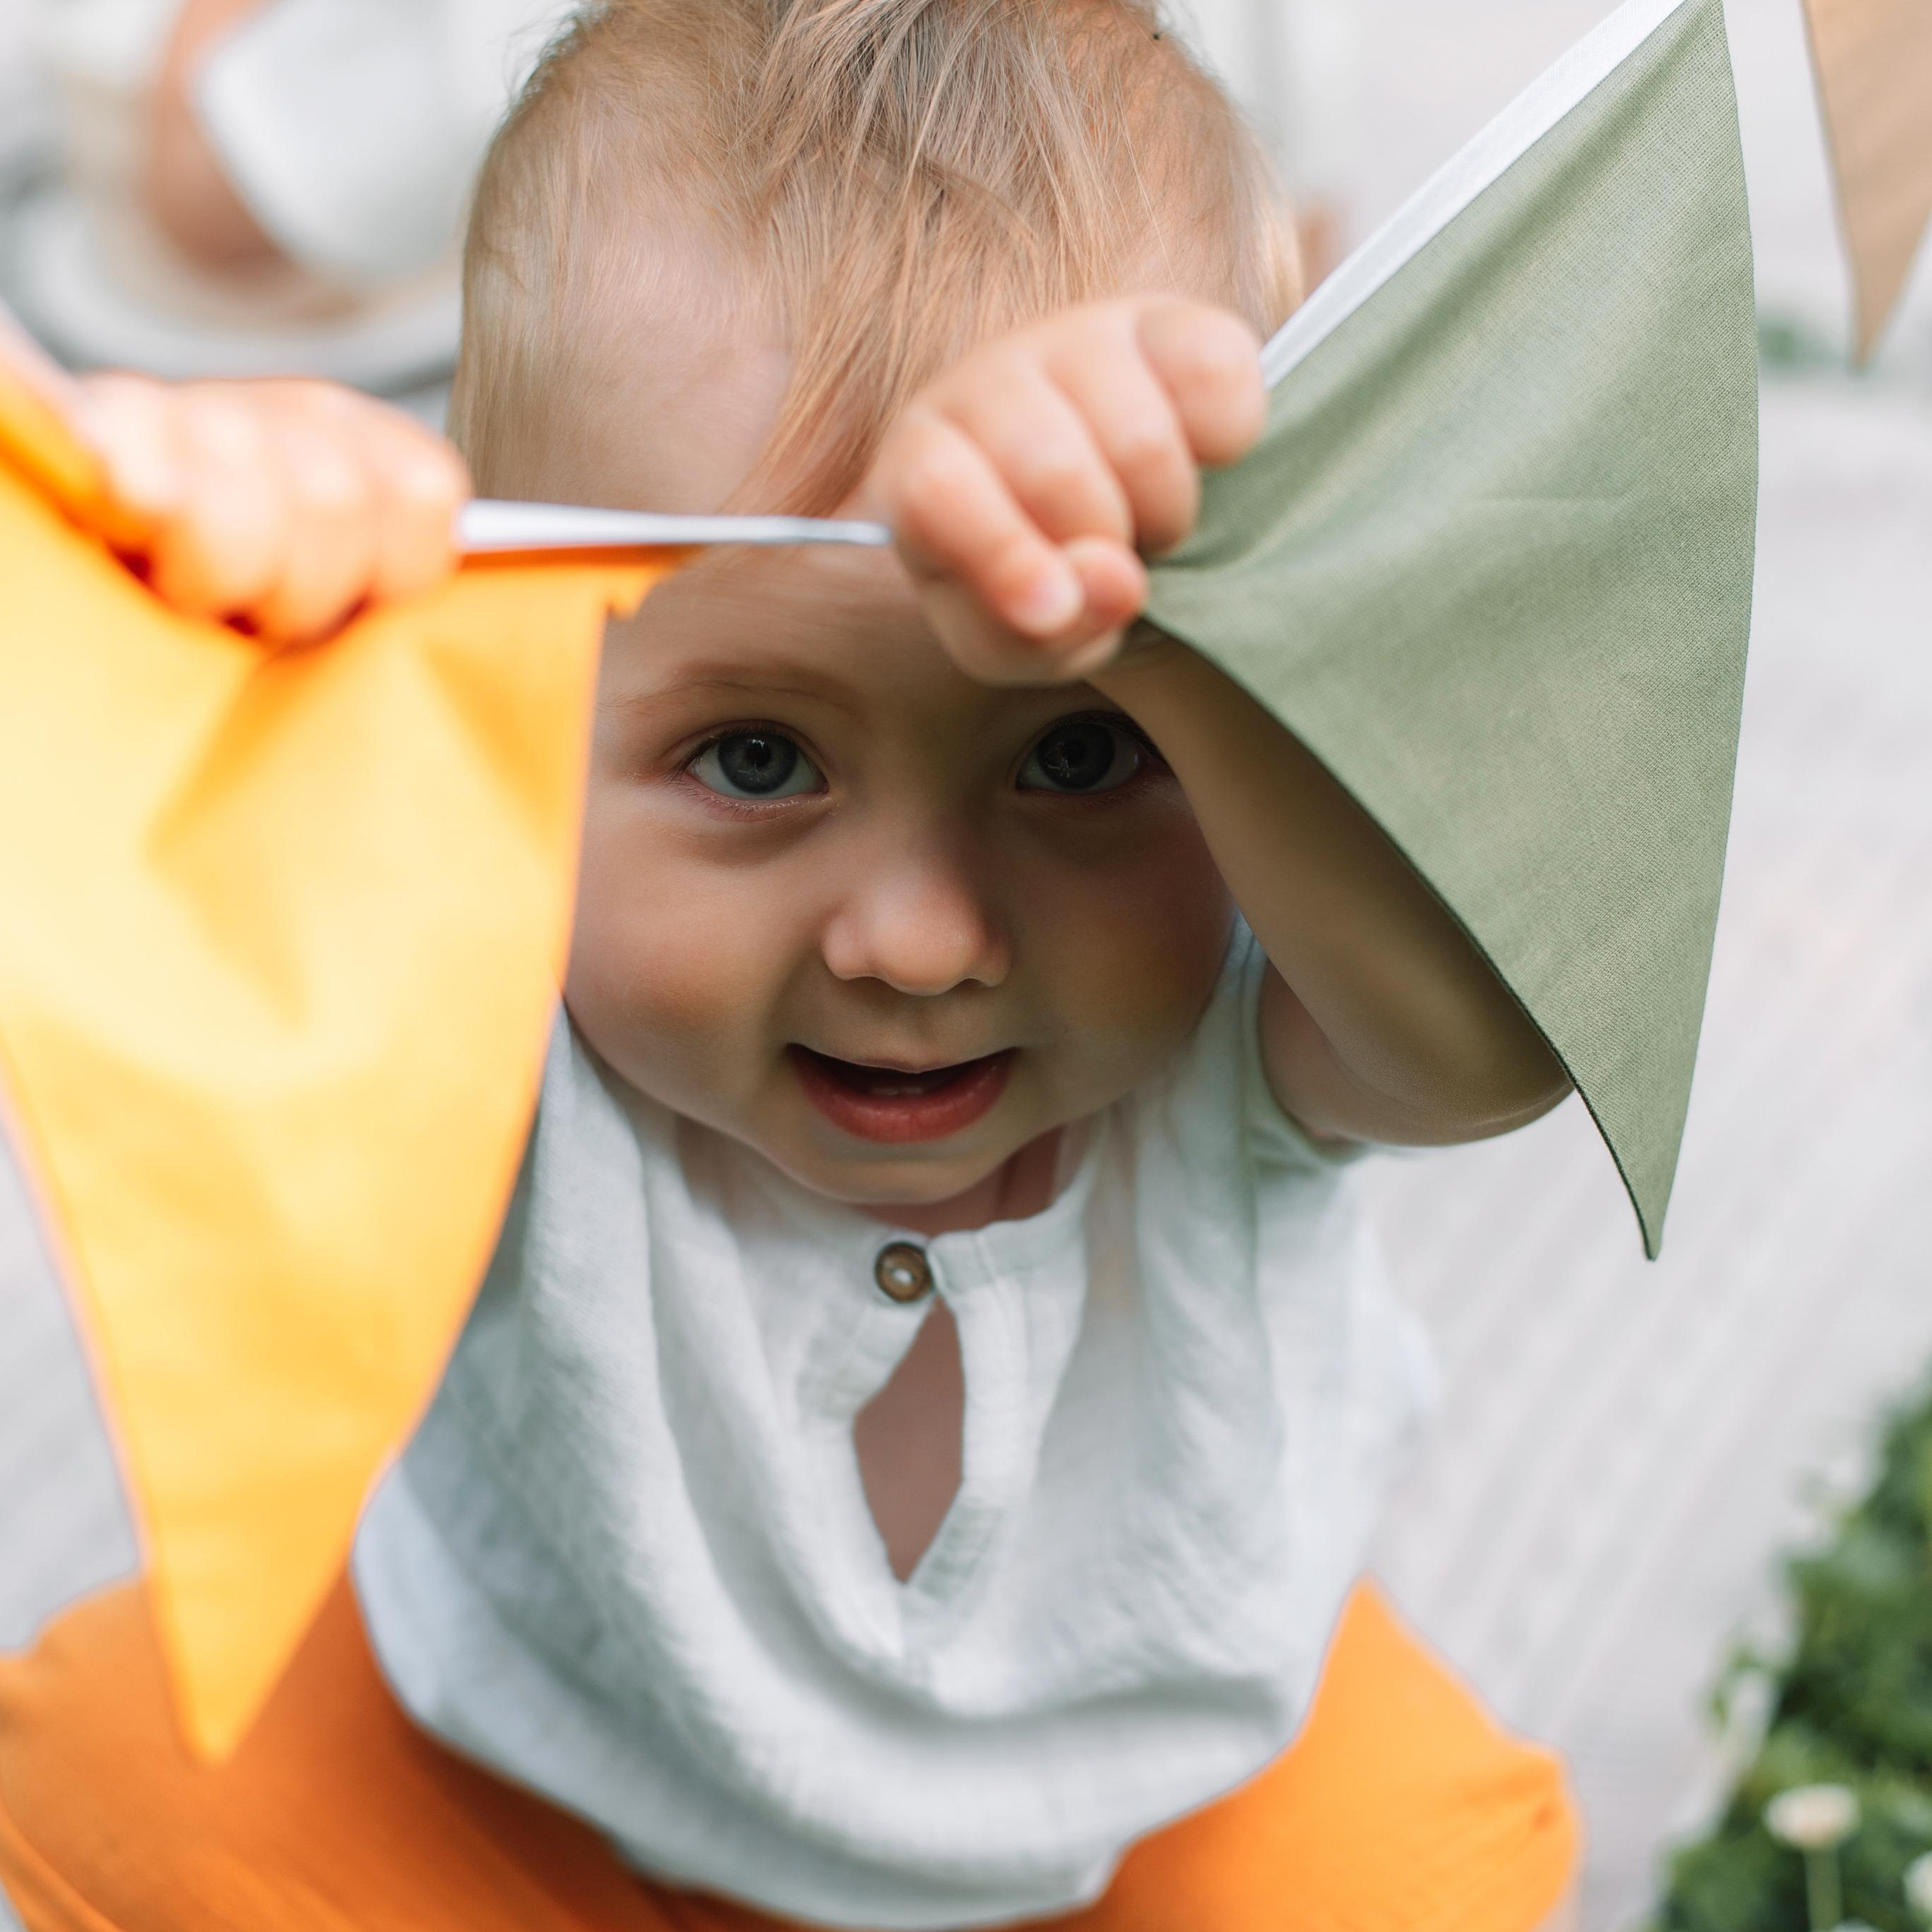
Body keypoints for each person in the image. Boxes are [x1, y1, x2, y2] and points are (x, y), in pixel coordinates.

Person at [0, 4, 1582, 1928]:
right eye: (754, 758)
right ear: (522, 693)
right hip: (518, 1747)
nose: (916, 939)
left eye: (1080, 749)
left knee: (1430, 1863)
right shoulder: (485, 945)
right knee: (101, 1773)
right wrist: (180, 568)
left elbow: (1495, 1038)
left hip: (1164, 1774)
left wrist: (1185, 623)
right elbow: (123, 853)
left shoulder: (1257, 988)